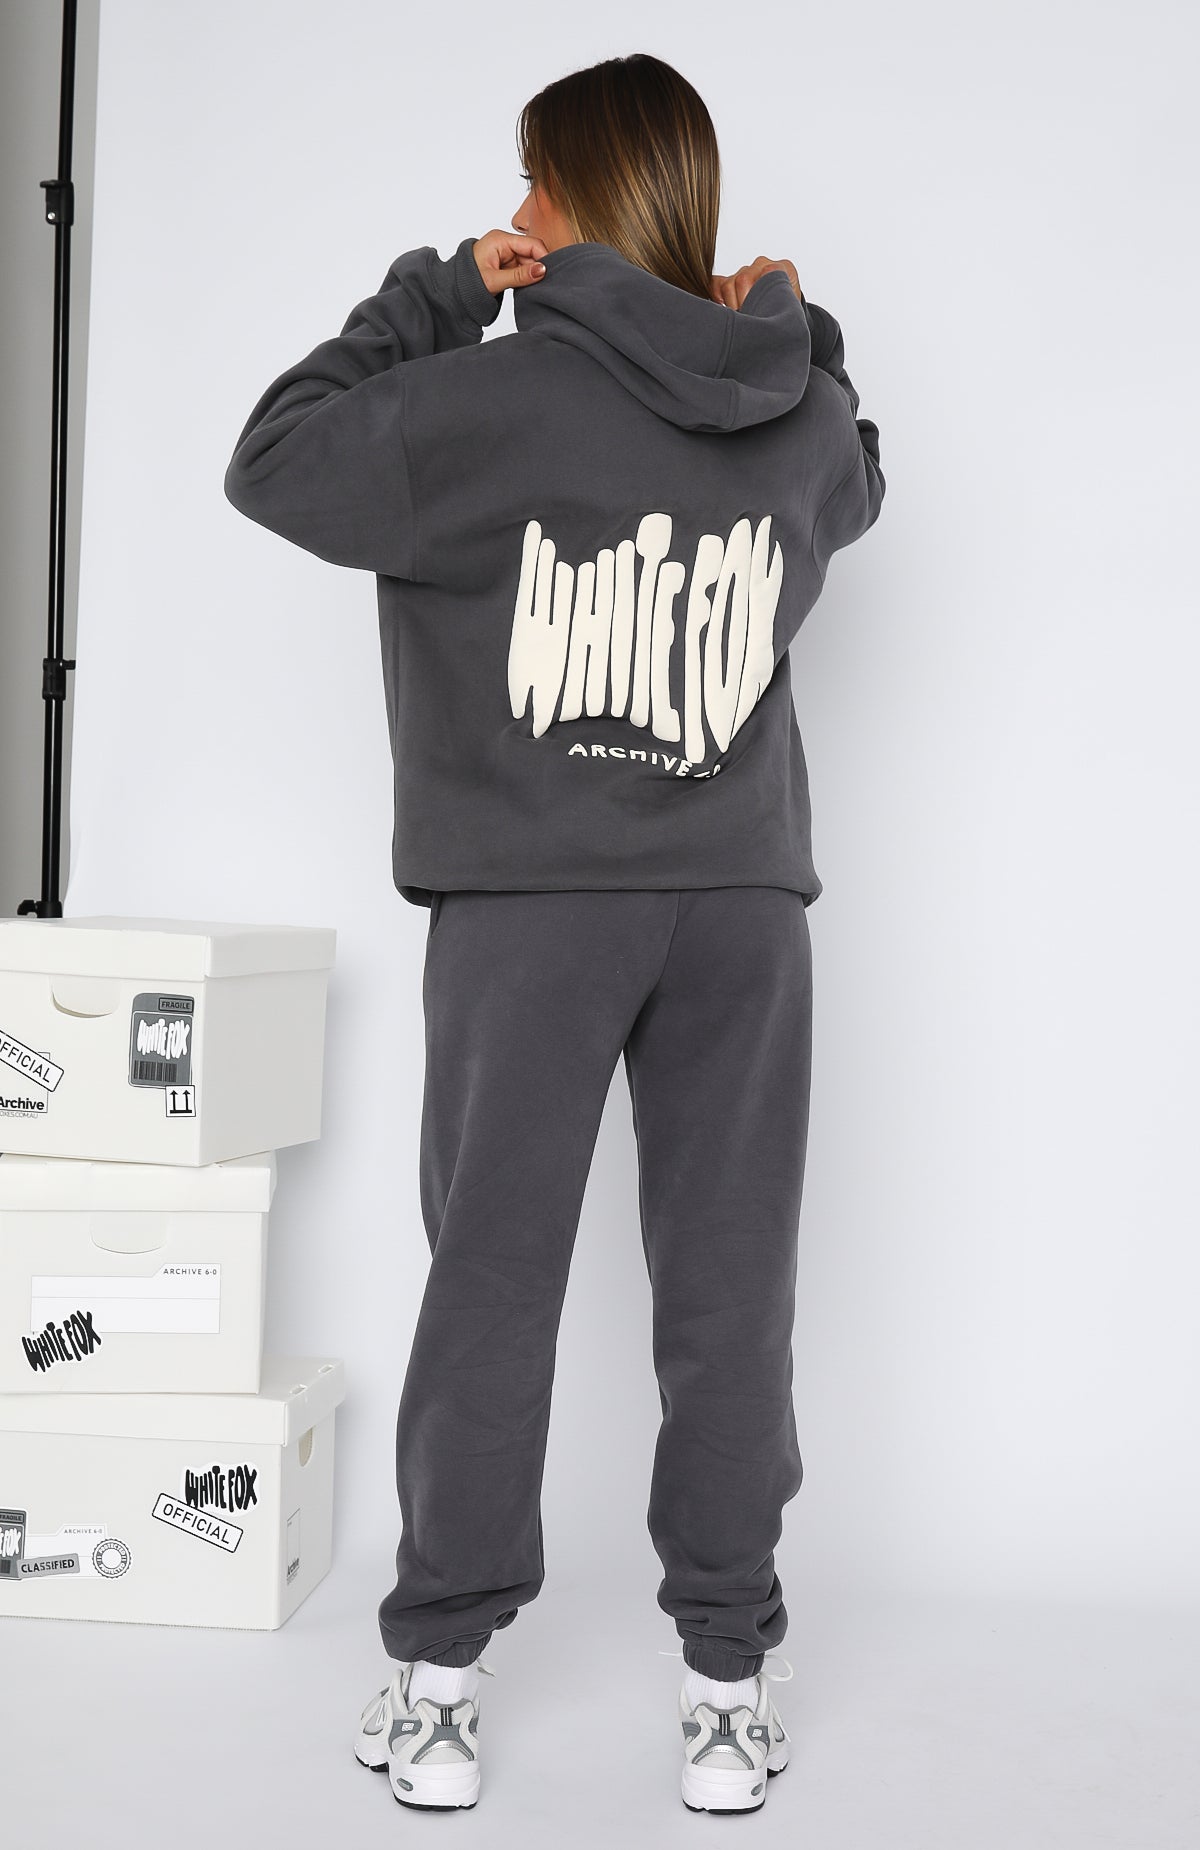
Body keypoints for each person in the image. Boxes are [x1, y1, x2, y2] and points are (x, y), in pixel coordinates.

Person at [223, 49, 884, 1816]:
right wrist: (790, 324)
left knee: (494, 1283)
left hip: (534, 909)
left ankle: (440, 1684)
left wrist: (440, 289)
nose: (512, 211)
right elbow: (859, 473)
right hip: (743, 909)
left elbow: (275, 458)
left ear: (572, 198)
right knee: (730, 1295)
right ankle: (727, 1686)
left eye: (530, 181)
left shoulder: (480, 403)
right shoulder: (790, 412)